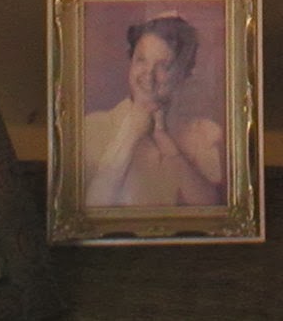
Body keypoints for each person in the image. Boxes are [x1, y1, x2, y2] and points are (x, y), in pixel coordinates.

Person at [80, 13, 223, 207]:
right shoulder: (93, 127)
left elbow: (212, 211)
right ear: (130, 62)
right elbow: (91, 211)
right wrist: (130, 132)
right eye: (141, 60)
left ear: (183, 75)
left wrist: (168, 144)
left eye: (163, 66)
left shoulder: (205, 134)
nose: (149, 74)